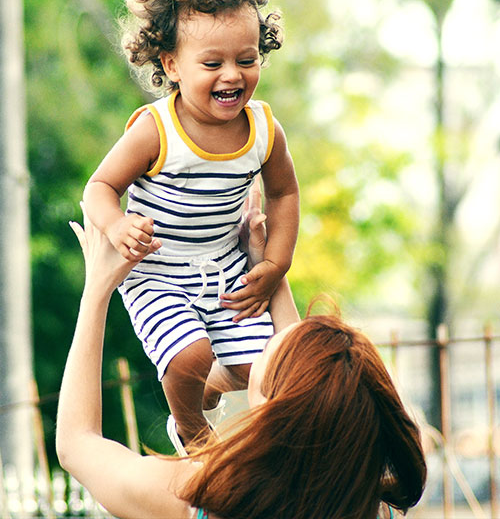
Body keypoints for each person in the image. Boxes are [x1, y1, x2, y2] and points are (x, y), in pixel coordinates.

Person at [57, 204, 426, 519]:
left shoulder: (198, 497)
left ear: (269, 408)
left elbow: (77, 444)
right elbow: (308, 392)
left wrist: (97, 290)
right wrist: (264, 268)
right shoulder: (369, 503)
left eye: (268, 349)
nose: (264, 341)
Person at [82, 0, 300, 450]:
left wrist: (274, 264)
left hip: (223, 265)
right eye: (212, 63)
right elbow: (99, 186)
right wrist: (117, 224)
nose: (232, 75)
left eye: (246, 60)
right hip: (158, 270)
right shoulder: (156, 130)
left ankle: (208, 386)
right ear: (171, 65)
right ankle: (192, 430)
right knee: (188, 356)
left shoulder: (264, 129)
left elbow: (285, 195)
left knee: (260, 369)